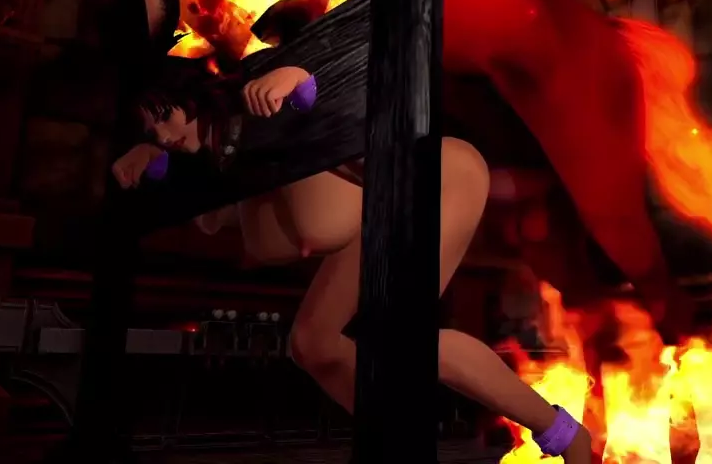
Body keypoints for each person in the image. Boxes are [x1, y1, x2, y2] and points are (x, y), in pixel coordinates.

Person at [110, 57, 595, 463]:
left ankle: (564, 434)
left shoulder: (259, 111)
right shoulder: (222, 175)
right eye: (152, 128)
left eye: (165, 116)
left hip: (434, 180)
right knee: (313, 342)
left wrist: (299, 78)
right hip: (376, 217)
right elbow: (202, 189)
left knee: (407, 342)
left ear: (194, 98)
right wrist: (152, 160)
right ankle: (398, 443)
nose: (163, 133)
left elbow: (327, 88)